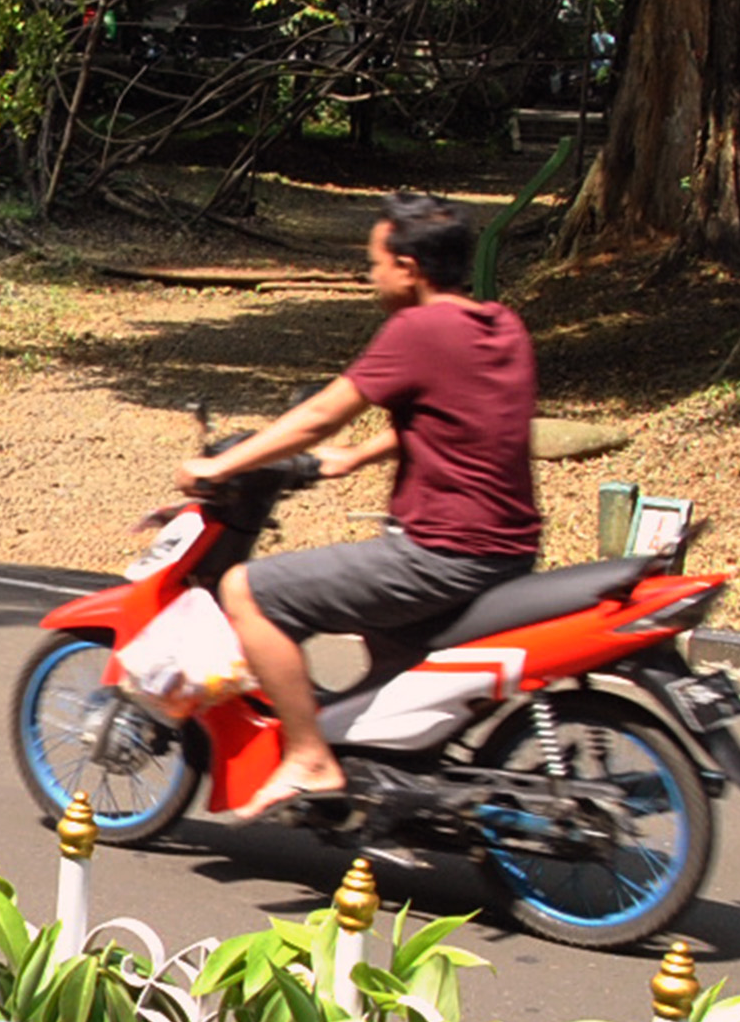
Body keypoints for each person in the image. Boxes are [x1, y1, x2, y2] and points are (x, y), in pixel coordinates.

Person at [176, 190, 540, 817]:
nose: (370, 275)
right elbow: (457, 417)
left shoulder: (419, 329)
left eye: (374, 262)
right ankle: (391, 779)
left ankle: (310, 758)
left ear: (408, 266)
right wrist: (358, 459)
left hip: (439, 555)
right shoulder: (500, 325)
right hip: (506, 552)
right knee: (385, 655)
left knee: (246, 591)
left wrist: (218, 464)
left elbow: (319, 416)